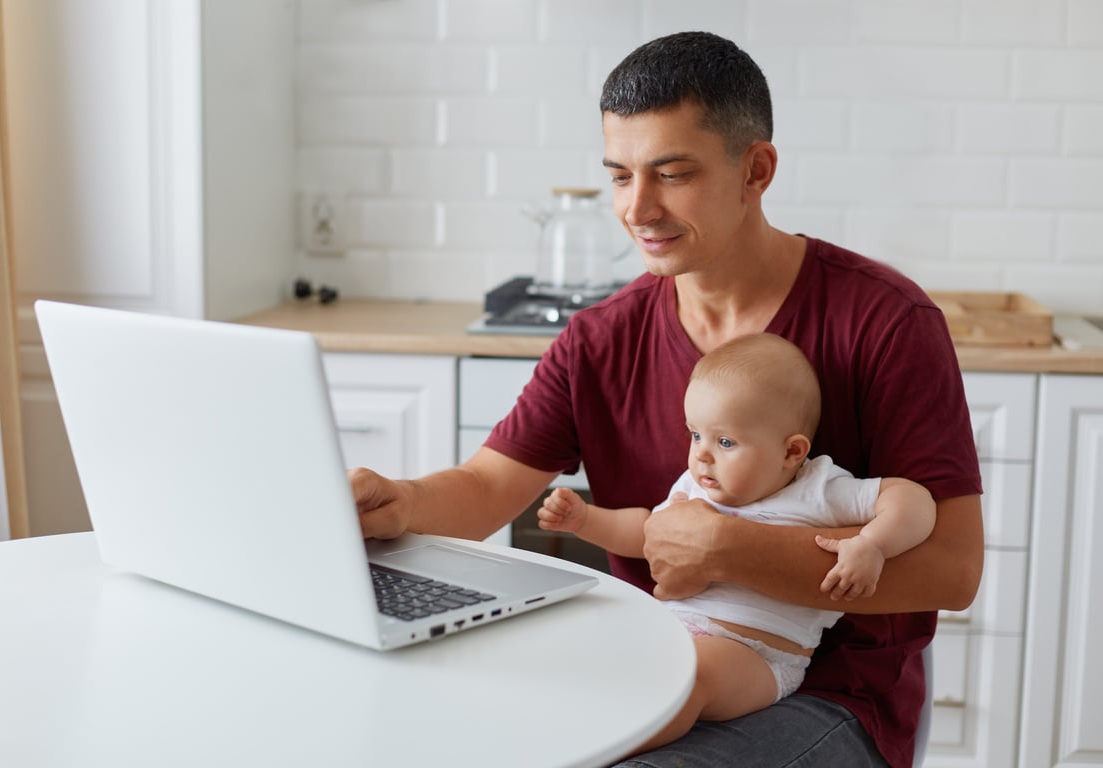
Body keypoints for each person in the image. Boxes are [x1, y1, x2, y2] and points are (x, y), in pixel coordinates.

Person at [353, 30, 983, 768]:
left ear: (757, 169)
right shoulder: (600, 338)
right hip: (652, 664)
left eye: (672, 174)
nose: (638, 208)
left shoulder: (884, 322)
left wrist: (728, 548)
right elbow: (487, 487)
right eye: (620, 176)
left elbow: (952, 570)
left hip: (831, 697)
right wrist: (395, 499)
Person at [537, 333, 937, 753]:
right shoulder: (695, 486)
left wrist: (872, 543)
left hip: (756, 656)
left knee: (687, 679)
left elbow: (914, 501)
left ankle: (603, 750)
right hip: (669, 633)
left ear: (791, 452)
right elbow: (646, 533)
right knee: (586, 651)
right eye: (695, 436)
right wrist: (586, 520)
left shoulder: (819, 488)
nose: (702, 455)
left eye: (725, 442)